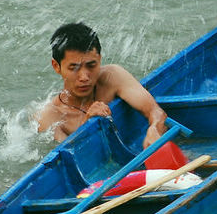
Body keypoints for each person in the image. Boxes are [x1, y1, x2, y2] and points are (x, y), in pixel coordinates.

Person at [36, 22, 169, 148]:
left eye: (91, 65)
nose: (84, 77)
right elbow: (74, 161)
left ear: (99, 59)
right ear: (56, 66)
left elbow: (156, 112)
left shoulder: (112, 76)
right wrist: (87, 124)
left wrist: (155, 128)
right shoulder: (50, 117)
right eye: (74, 68)